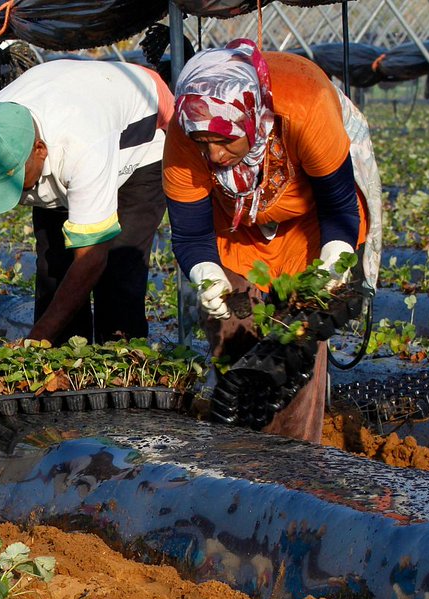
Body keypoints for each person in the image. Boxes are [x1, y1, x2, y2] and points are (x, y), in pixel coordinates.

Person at [163, 39, 381, 443]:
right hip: (235, 231)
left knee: (295, 340)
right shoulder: (186, 132)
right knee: (231, 327)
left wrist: (335, 255)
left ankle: (295, 459)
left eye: (226, 140)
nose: (213, 155)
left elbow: (338, 207)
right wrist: (206, 272)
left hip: (308, 226)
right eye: (203, 143)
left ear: (252, 120)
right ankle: (241, 448)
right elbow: (191, 231)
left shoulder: (305, 106)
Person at [0, 59, 174, 348]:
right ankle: (58, 364)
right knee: (54, 268)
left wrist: (36, 340)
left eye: (14, 180)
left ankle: (120, 363)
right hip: (69, 123)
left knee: (118, 273)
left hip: (138, 140)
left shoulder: (81, 143)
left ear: (40, 150)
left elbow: (91, 257)